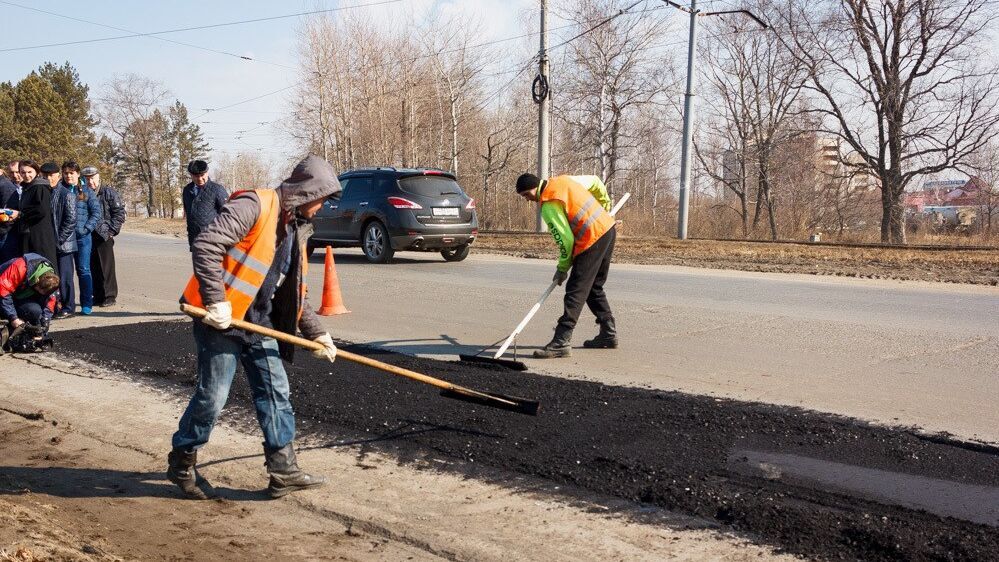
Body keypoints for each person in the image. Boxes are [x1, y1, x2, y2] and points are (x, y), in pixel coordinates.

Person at [169, 155, 340, 500]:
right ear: (307, 192)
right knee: (213, 397)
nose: (322, 207)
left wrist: (317, 332)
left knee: (276, 392)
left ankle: (283, 470)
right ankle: (182, 462)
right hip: (222, 322)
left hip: (258, 324)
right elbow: (206, 244)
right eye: (321, 198)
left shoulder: (295, 230)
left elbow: (292, 293)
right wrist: (216, 301)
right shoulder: (255, 204)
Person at [514, 173, 618, 358]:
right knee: (593, 287)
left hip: (591, 240)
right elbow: (595, 181)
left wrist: (562, 268)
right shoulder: (564, 180)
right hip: (608, 230)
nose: (527, 200)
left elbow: (566, 241)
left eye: (525, 194)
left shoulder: (549, 204)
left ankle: (561, 341)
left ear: (534, 187)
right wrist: (605, 207)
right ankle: (608, 334)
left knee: (575, 290)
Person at [82, 166, 125, 307]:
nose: (90, 182)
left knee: (106, 267)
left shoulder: (108, 192)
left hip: (104, 234)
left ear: (98, 177)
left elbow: (119, 213)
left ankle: (110, 296)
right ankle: (98, 295)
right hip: (88, 234)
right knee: (93, 266)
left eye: (92, 178)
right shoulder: (82, 193)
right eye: (87, 179)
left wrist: (111, 231)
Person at [62, 162, 101, 315]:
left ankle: (87, 303)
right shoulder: (59, 190)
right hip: (65, 238)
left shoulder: (86, 191)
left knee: (84, 270)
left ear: (78, 174)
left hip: (82, 238)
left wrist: (86, 229)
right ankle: (66, 304)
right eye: (65, 173)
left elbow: (96, 213)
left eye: (71, 173)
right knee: (65, 272)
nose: (68, 176)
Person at [0, 252, 59, 352]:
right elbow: (3, 291)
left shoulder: (52, 281)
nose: (40, 293)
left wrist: (43, 329)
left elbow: (49, 306)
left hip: (18, 295)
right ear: (36, 280)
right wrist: (13, 318)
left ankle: (16, 333)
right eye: (39, 291)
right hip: (3, 293)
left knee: (34, 311)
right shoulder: (20, 267)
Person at [46, 162, 77, 319]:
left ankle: (69, 306)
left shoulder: (67, 194)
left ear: (58, 176)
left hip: (64, 244)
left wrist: (58, 241)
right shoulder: (45, 192)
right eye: (45, 175)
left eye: (52, 175)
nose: (49, 178)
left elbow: (71, 220)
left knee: (65, 277)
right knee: (52, 276)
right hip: (49, 243)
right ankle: (55, 305)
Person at [18, 161, 59, 272]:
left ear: (36, 171)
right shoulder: (28, 187)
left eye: (29, 172)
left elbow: (41, 210)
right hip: (30, 235)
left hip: (41, 237)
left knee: (45, 272)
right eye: (23, 172)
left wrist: (20, 214)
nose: (26, 175)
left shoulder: (40, 187)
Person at [181, 160, 227, 252]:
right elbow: (189, 214)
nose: (200, 179)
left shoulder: (217, 189)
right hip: (195, 239)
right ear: (191, 175)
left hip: (214, 240)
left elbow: (228, 214)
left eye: (202, 175)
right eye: (196, 176)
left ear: (207, 173)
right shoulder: (187, 190)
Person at [0, 161, 22, 263]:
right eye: (11, 172)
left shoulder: (6, 186)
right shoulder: (9, 185)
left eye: (17, 172)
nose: (15, 175)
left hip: (12, 233)